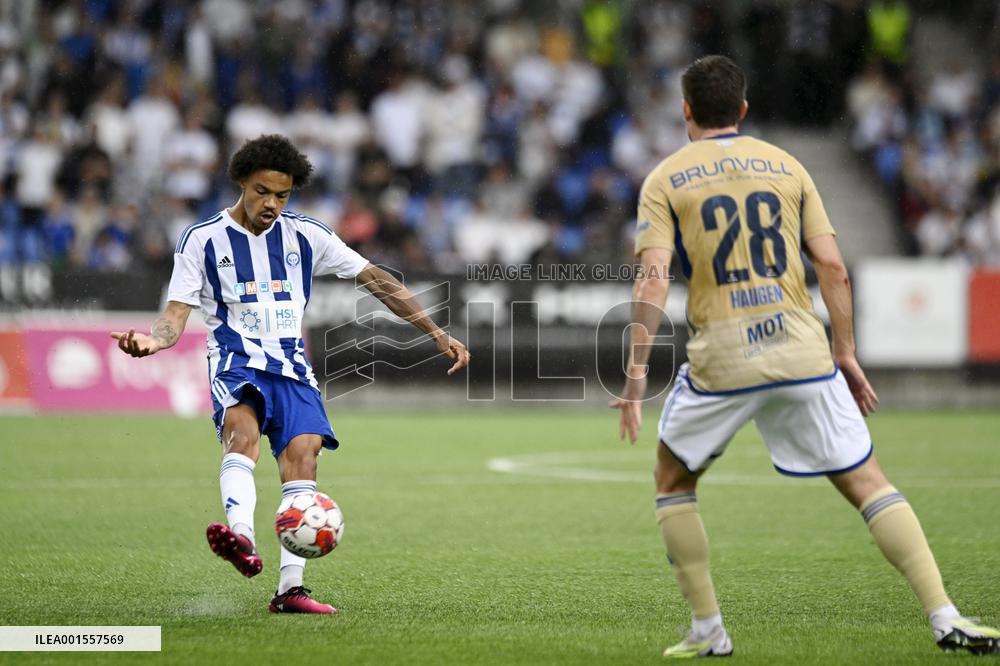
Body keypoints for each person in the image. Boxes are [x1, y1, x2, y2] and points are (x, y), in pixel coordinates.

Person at [610, 56, 999, 657]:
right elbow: (834, 268)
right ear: (742, 109)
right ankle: (946, 616)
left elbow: (652, 280)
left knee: (672, 479)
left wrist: (637, 376)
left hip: (724, 359)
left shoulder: (665, 179)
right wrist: (845, 352)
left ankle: (710, 630)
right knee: (868, 481)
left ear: (686, 110)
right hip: (801, 350)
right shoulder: (787, 165)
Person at [111, 134, 470, 614]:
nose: (272, 204)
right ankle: (240, 539)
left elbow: (377, 280)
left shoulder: (307, 235)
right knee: (243, 438)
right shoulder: (202, 240)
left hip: (293, 367)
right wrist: (154, 341)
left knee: (304, 460)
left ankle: (289, 589)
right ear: (242, 182)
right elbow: (174, 315)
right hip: (236, 360)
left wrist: (434, 330)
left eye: (282, 195)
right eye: (262, 191)